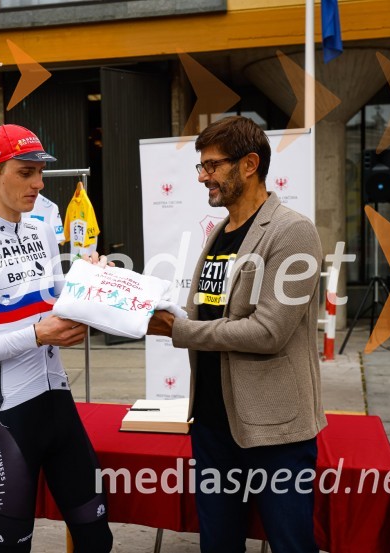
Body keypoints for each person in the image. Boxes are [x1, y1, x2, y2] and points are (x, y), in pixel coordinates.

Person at [147, 116, 326, 553]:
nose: (203, 176)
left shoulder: (292, 232)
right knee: (219, 544)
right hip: (212, 422)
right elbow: (209, 310)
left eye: (212, 165)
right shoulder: (219, 234)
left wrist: (179, 330)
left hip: (274, 430)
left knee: (290, 544)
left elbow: (268, 331)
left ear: (249, 164)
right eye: (200, 167)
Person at [0, 124, 113, 552]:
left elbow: (56, 307)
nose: (38, 183)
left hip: (59, 405)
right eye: (26, 172)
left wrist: (89, 280)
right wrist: (34, 335)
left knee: (96, 538)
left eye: (40, 172)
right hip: (8, 415)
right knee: (12, 547)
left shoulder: (40, 233)